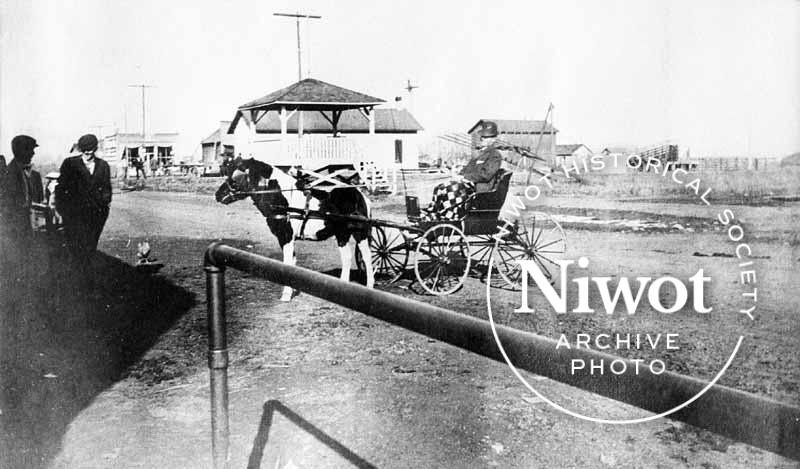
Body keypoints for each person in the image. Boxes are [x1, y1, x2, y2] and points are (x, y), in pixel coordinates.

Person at [56, 134, 112, 259]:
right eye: (84, 149)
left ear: (95, 148)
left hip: (96, 216)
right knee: (76, 249)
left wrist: (104, 206)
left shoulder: (103, 166)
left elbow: (107, 188)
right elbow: (60, 188)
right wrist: (63, 211)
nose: (88, 152)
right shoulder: (70, 164)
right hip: (74, 216)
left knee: (90, 248)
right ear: (80, 149)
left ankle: (87, 275)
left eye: (90, 149)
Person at [0, 135, 40, 251]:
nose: (33, 153)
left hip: (23, 224)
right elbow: (8, 205)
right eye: (31, 150)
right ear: (23, 151)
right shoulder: (10, 174)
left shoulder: (20, 171)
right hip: (15, 228)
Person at [460, 120, 503, 186]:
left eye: (485, 137)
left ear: (493, 140)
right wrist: (460, 173)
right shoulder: (480, 153)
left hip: (481, 190)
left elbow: (485, 175)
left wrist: (465, 177)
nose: (482, 139)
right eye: (482, 136)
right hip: (472, 185)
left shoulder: (495, 155)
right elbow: (469, 168)